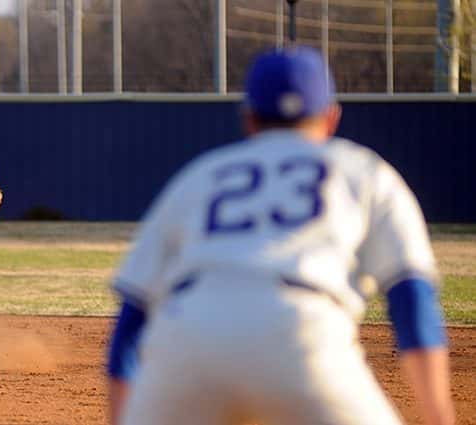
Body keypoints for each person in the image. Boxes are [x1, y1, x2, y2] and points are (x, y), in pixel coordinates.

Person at [107, 47, 455, 425]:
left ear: (249, 119)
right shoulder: (364, 171)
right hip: (300, 334)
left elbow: (132, 315)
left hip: (187, 340)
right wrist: (439, 417)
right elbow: (412, 299)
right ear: (332, 116)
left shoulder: (201, 175)